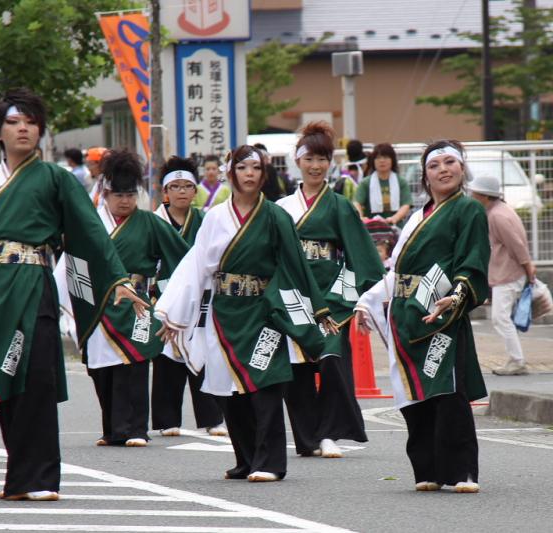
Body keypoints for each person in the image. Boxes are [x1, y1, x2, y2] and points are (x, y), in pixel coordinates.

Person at [0, 88, 146, 502]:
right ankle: (18, 476)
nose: (23, 128)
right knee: (2, 381)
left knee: (37, 379)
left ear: (40, 131)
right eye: (12, 121)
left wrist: (117, 280)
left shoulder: (55, 178)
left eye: (30, 121)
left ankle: (42, 477)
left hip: (33, 284)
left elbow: (91, 233)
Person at [155, 144, 334, 483]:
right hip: (224, 312)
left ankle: (270, 462)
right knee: (227, 389)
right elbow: (196, 266)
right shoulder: (216, 218)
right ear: (231, 172)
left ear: (264, 174)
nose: (249, 174)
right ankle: (247, 457)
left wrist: (317, 308)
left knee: (265, 386)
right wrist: (175, 314)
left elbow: (294, 266)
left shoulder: (276, 216)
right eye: (242, 168)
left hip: (265, 311)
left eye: (255, 168)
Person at [355, 140, 489, 493]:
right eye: (434, 165)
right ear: (425, 177)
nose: (443, 169)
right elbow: (396, 271)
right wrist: (365, 302)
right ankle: (427, 469)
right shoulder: (418, 216)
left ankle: (462, 471)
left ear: (462, 169)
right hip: (405, 315)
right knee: (413, 395)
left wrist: (458, 294)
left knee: (447, 390)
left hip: (441, 312)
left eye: (450, 162)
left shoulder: (469, 210)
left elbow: (472, 260)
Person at [57, 149, 189, 447]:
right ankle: (113, 429)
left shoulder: (150, 223)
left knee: (135, 365)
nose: (125, 200)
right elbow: (71, 263)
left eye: (130, 194)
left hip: (136, 305)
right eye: (118, 194)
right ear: (105, 193)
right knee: (100, 370)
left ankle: (136, 429)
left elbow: (183, 259)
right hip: (97, 304)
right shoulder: (90, 224)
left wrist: (167, 299)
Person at [276, 122, 384, 459]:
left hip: (332, 299)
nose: (316, 166)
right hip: (293, 297)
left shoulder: (339, 205)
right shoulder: (280, 208)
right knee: (298, 368)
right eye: (309, 158)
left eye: (322, 158)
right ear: (298, 161)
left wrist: (354, 300)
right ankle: (307, 437)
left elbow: (360, 256)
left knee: (332, 361)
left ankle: (328, 433)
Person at [151, 155, 226, 438]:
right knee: (167, 355)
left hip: (199, 296)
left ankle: (212, 417)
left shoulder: (206, 220)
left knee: (203, 351)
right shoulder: (153, 222)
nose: (182, 192)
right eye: (176, 187)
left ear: (196, 191)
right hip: (164, 296)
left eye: (187, 187)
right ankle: (167, 419)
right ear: (165, 192)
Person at [470, 174, 536, 376]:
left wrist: (528, 266)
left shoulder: (497, 216)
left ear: (485, 196)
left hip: (508, 273)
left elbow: (516, 244)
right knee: (503, 318)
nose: (472, 196)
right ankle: (515, 358)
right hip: (509, 272)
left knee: (500, 318)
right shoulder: (500, 211)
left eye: (475, 193)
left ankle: (517, 360)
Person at [354, 143, 411, 226]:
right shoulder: (365, 183)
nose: (382, 160)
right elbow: (357, 203)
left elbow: (406, 204)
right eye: (378, 158)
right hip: (371, 228)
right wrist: (360, 217)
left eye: (386, 157)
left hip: (396, 227)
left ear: (392, 160)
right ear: (373, 161)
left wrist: (394, 218)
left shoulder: (401, 182)